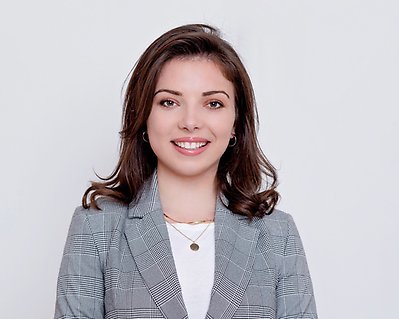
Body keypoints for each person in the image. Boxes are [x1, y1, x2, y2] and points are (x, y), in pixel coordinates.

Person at [54, 24, 317, 319]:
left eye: (213, 103)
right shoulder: (96, 228)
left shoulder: (277, 235)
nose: (190, 121)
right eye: (169, 102)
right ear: (143, 116)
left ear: (235, 124)